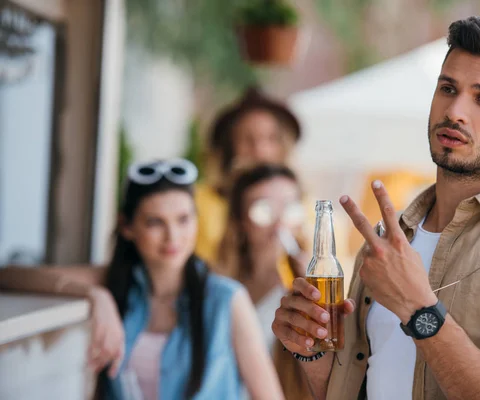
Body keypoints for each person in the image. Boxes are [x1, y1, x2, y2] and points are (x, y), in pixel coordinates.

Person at [271, 16, 480, 400]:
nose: (455, 110)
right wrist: (311, 349)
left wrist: (418, 308)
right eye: (448, 88)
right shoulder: (386, 240)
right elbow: (355, 386)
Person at [0, 158, 284, 400]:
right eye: (155, 222)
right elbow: (10, 275)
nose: (173, 236)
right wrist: (96, 296)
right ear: (127, 227)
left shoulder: (227, 299)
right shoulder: (113, 281)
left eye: (183, 219)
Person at [216, 163, 313, 400]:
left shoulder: (308, 291)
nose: (279, 223)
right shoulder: (217, 287)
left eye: (290, 209)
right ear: (239, 220)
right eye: (263, 210)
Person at [194, 87, 302, 281]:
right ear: (229, 146)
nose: (259, 150)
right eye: (247, 139)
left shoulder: (305, 203)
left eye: (270, 139)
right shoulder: (200, 201)